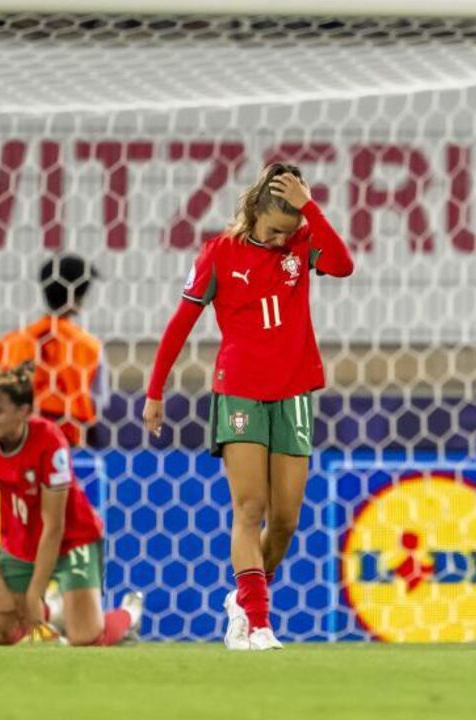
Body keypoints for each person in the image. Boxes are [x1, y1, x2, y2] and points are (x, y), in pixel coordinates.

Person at [142, 163, 355, 651]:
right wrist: (156, 390)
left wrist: (310, 211)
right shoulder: (219, 253)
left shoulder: (303, 245)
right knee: (250, 508)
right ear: (256, 213)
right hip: (239, 389)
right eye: (276, 231)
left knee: (285, 521)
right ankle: (258, 623)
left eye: (291, 230)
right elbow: (180, 324)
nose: (284, 240)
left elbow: (343, 265)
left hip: (295, 391)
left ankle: (242, 599)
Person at [0, 363, 142, 646]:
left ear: (23, 412)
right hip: (20, 542)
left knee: (85, 638)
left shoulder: (49, 440)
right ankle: (55, 610)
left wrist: (34, 593)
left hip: (73, 539)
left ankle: (128, 613)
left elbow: (54, 525)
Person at [0, 254, 104, 447]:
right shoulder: (90, 347)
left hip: (17, 437)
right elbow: (99, 399)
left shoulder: (10, 343)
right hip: (68, 440)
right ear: (79, 297)